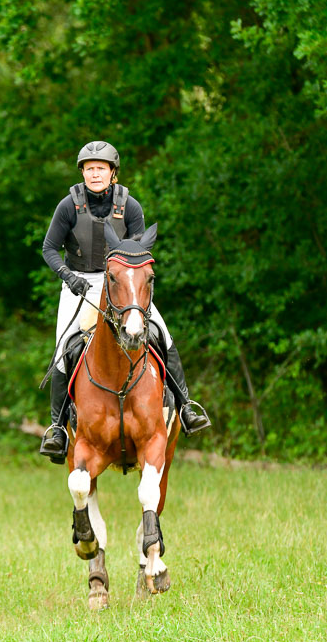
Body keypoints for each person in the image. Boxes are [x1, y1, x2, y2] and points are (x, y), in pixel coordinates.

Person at [40, 140, 210, 463]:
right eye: (89, 169)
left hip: (123, 284)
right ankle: (58, 430)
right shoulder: (68, 206)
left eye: (100, 169)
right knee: (64, 350)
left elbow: (139, 253)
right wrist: (67, 275)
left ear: (112, 172)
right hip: (80, 284)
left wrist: (131, 287)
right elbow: (49, 248)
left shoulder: (129, 206)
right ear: (83, 174)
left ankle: (186, 407)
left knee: (163, 334)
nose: (94, 174)